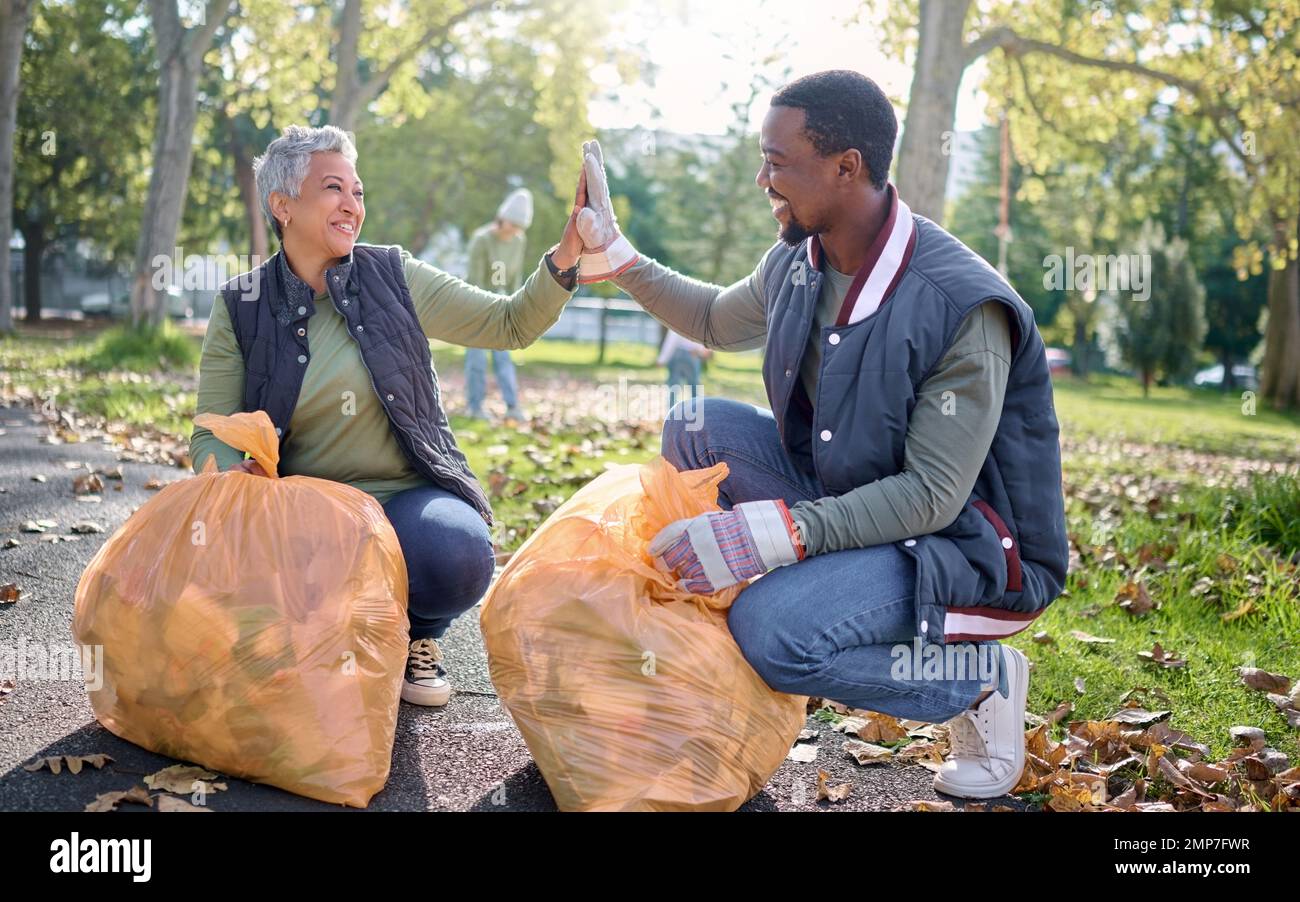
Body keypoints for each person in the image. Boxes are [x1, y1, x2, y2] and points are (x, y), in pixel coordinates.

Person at [572, 71, 1069, 800]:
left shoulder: (961, 306)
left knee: (774, 634)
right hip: (856, 494)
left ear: (847, 168)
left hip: (954, 545)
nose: (761, 178)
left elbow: (932, 496)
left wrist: (776, 536)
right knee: (695, 427)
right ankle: (727, 652)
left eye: (776, 161)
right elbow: (715, 320)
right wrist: (616, 256)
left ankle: (976, 682)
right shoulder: (801, 259)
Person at [190, 125, 584, 708]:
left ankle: (417, 637)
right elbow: (210, 431)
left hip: (406, 498)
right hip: (307, 506)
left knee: (457, 553)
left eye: (358, 190)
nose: (353, 205)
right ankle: (338, 626)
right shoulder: (241, 304)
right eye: (333, 188)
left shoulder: (393, 275)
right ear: (282, 205)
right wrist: (231, 477)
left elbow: (509, 324)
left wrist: (568, 252)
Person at [463, 189, 533, 422]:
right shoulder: (482, 239)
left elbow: (515, 279)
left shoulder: (519, 242)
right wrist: (488, 308)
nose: (513, 230)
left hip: (504, 308)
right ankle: (475, 408)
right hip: (478, 307)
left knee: (504, 361)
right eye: (511, 224)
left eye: (518, 227)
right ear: (502, 218)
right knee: (477, 360)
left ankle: (513, 407)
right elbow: (475, 280)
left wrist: (515, 307)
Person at [657, 328, 711, 408]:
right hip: (693, 353)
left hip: (678, 354)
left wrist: (662, 359)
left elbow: (671, 340)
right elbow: (703, 338)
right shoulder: (698, 321)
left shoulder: (678, 321)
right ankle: (696, 410)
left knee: (674, 385)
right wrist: (702, 350)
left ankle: (671, 412)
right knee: (694, 386)